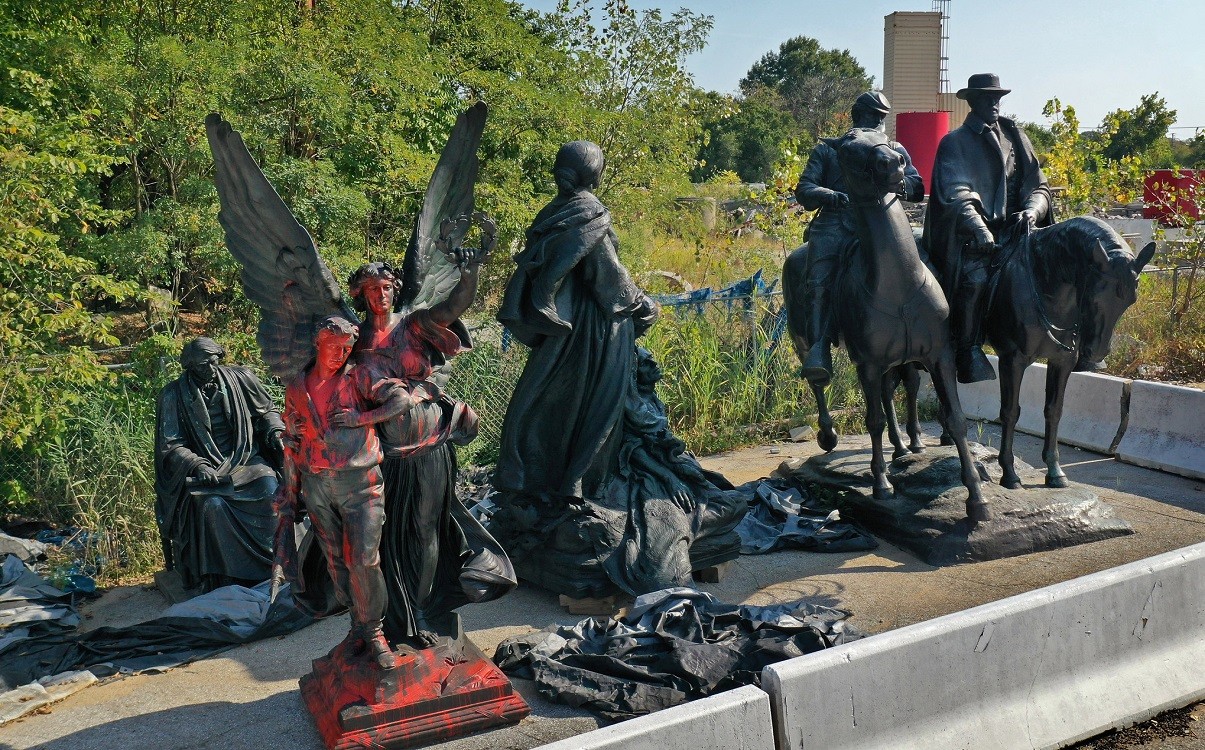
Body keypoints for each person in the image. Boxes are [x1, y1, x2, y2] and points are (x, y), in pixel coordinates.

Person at [346, 260, 516, 649]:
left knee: (426, 529)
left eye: (387, 287)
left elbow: (453, 307)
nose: (381, 295)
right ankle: (388, 618)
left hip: (430, 446)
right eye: (372, 288)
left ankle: (423, 609)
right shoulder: (353, 339)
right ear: (360, 294)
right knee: (384, 537)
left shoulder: (414, 324)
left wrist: (470, 272)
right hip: (382, 454)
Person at [494, 140, 659, 508]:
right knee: (599, 409)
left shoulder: (551, 212)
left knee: (551, 401)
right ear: (593, 172)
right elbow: (608, 277)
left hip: (562, 328)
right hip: (597, 329)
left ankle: (537, 481)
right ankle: (580, 486)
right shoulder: (589, 212)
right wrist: (643, 304)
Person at [281, 315, 411, 669]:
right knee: (336, 562)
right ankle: (357, 625)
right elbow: (291, 434)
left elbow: (401, 401)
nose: (341, 354)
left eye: (347, 348)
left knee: (363, 560)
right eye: (333, 347)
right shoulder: (297, 384)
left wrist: (361, 419)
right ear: (317, 344)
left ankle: (375, 633)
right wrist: (289, 478)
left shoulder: (360, 375)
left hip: (360, 484)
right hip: (317, 484)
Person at [923, 73, 1053, 383]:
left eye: (997, 97)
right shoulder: (955, 142)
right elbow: (956, 192)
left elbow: (1040, 185)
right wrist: (978, 227)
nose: (995, 103)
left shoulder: (1015, 135)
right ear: (972, 101)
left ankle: (1075, 338)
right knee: (975, 279)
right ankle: (968, 349)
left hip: (1020, 230)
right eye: (987, 98)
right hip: (978, 238)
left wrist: (1033, 211)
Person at [789, 91, 925, 385]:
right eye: (871, 115)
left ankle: (936, 330)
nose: (876, 122)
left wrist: (898, 181)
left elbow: (917, 187)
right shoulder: (830, 151)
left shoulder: (893, 149)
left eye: (881, 117)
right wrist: (831, 195)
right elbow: (805, 188)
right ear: (857, 115)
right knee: (818, 277)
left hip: (885, 224)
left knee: (926, 253)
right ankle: (819, 347)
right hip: (837, 224)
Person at [154, 337, 285, 593]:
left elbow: (267, 412)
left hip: (245, 460)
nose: (211, 370)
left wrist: (275, 432)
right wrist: (197, 464)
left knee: (272, 492)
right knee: (212, 506)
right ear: (189, 366)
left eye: (214, 362)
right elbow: (170, 444)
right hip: (208, 470)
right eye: (203, 365)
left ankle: (279, 567)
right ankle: (227, 579)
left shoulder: (241, 378)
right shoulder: (172, 395)